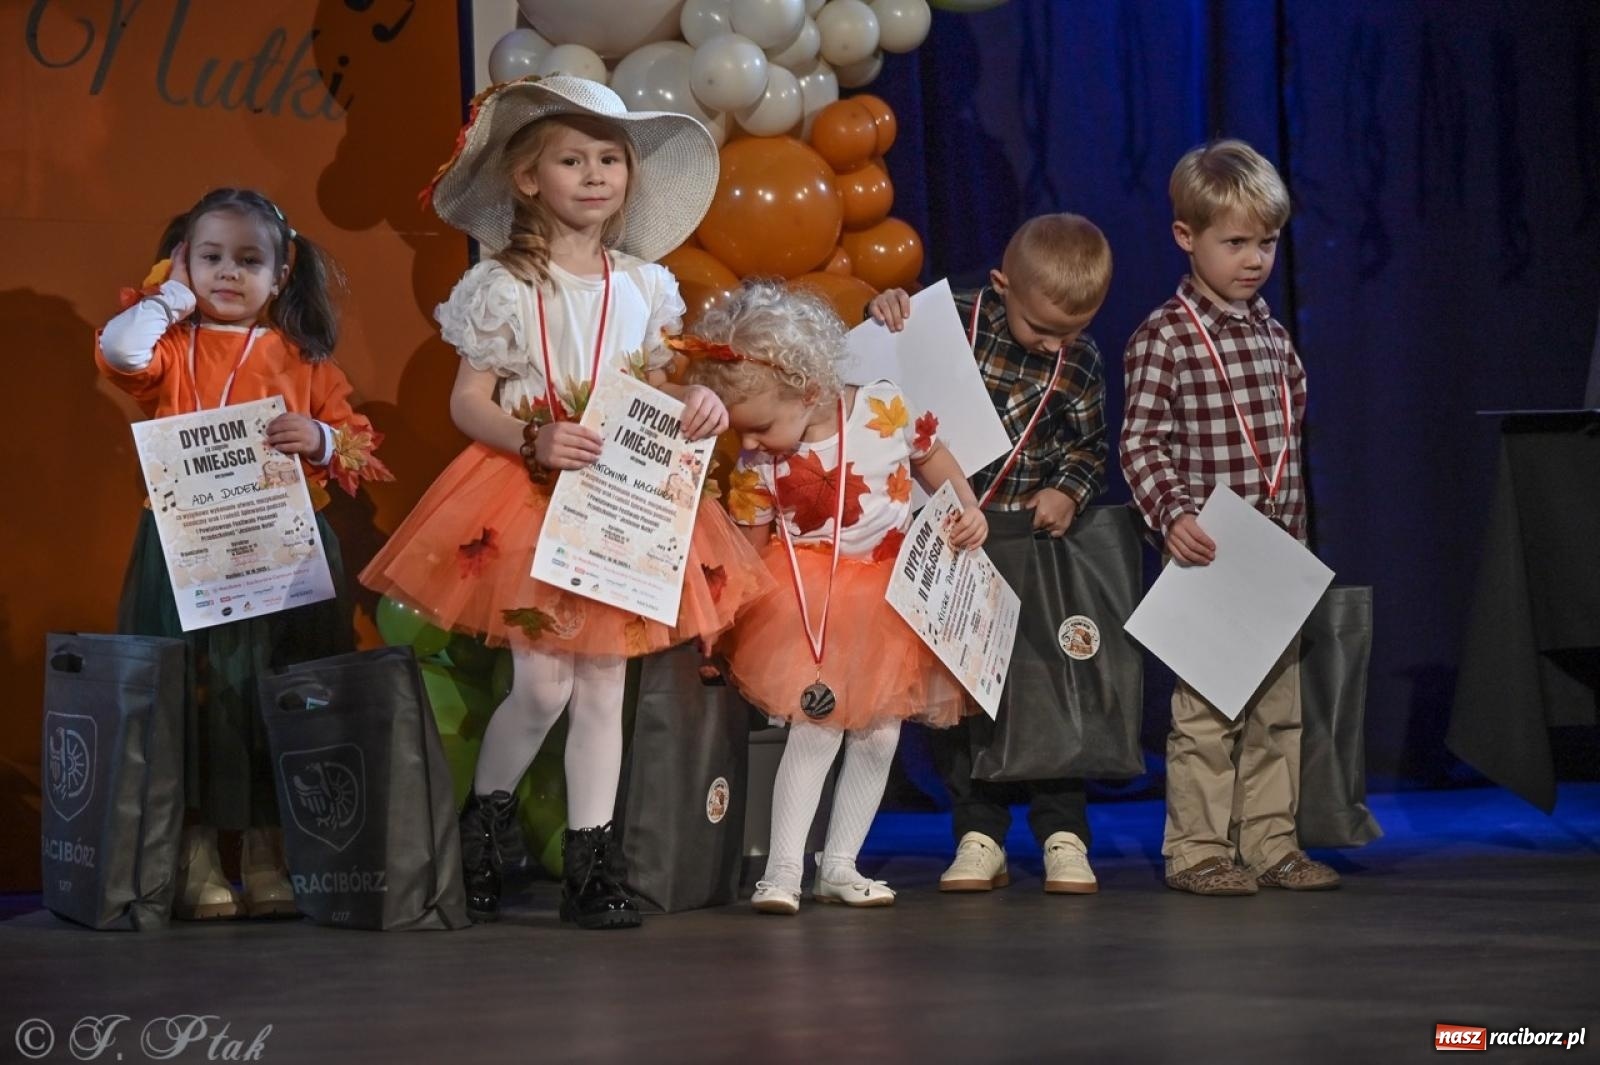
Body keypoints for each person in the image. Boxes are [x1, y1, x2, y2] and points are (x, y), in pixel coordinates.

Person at [359, 76, 770, 928]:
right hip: (532, 489)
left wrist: (699, 403)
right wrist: (531, 437)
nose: (594, 175)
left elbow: (660, 380)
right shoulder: (503, 288)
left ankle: (592, 863)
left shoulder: (646, 285)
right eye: (572, 159)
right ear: (527, 179)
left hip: (621, 499)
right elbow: (468, 401)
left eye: (610, 159)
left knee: (602, 685)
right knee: (542, 685)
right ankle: (485, 828)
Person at [98, 187, 392, 920]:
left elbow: (355, 442)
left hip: (279, 548)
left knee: (270, 690)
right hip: (185, 546)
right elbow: (117, 349)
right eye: (210, 257)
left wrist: (317, 437)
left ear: (282, 272)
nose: (228, 273)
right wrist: (169, 298)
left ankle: (269, 853)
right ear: (180, 262)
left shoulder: (302, 357)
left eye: (249, 260)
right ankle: (195, 858)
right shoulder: (167, 345)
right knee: (195, 698)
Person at [676, 281, 987, 915]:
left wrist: (968, 507)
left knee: (878, 735)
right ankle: (784, 869)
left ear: (810, 389)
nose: (752, 443)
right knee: (815, 730)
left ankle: (839, 865)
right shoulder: (759, 464)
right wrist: (722, 620)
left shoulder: (884, 409)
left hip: (889, 596)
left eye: (759, 427)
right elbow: (749, 549)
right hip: (807, 601)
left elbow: (933, 457)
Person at [1120, 139, 1340, 895]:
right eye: (1235, 241)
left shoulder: (1276, 339)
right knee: (1208, 713)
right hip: (1210, 556)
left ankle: (1273, 841)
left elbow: (1288, 437)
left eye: (1268, 241)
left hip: (1273, 558)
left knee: (1279, 710)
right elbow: (1142, 440)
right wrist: (1172, 512)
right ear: (1188, 237)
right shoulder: (1166, 337)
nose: (1254, 258)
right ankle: (1198, 849)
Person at [868, 213, 1111, 895]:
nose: (1056, 342)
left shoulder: (1081, 361)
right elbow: (882, 361)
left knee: (1045, 686)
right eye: (1041, 328)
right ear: (1002, 287)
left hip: (1029, 542)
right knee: (963, 698)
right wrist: (883, 309)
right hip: (950, 539)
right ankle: (979, 830)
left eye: (1073, 330)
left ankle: (1063, 830)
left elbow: (1091, 450)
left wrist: (1068, 488)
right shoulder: (954, 320)